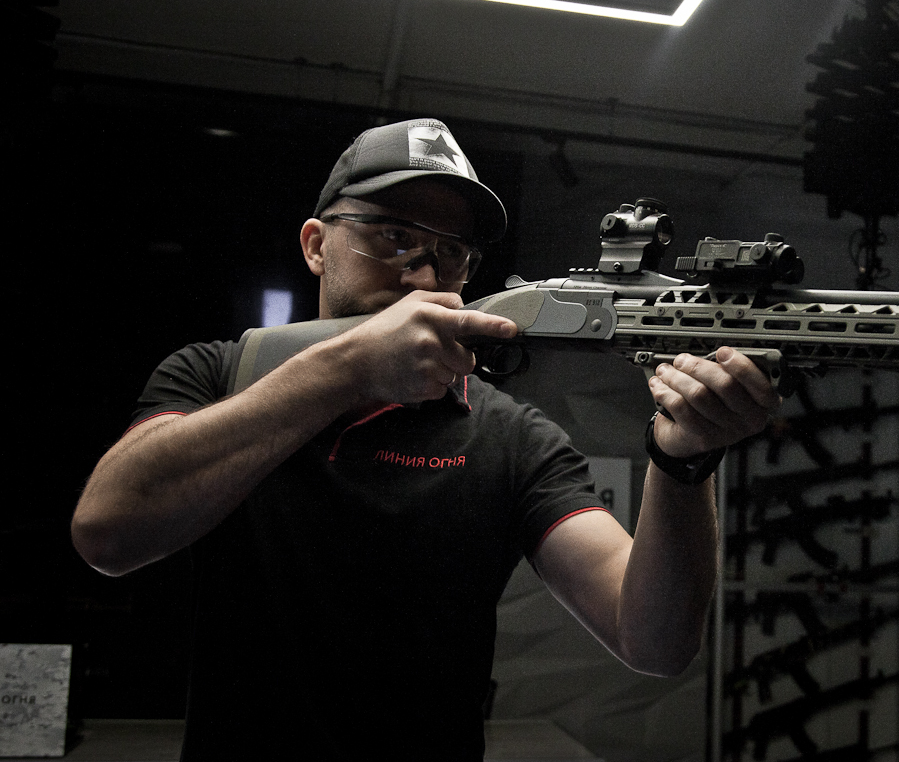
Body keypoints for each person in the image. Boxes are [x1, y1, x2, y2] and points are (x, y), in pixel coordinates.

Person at [71, 118, 781, 760]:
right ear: (317, 245)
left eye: (452, 252)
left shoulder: (513, 437)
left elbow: (653, 640)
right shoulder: (217, 374)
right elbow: (107, 532)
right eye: (393, 236)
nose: (426, 272)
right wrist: (349, 368)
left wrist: (683, 460)